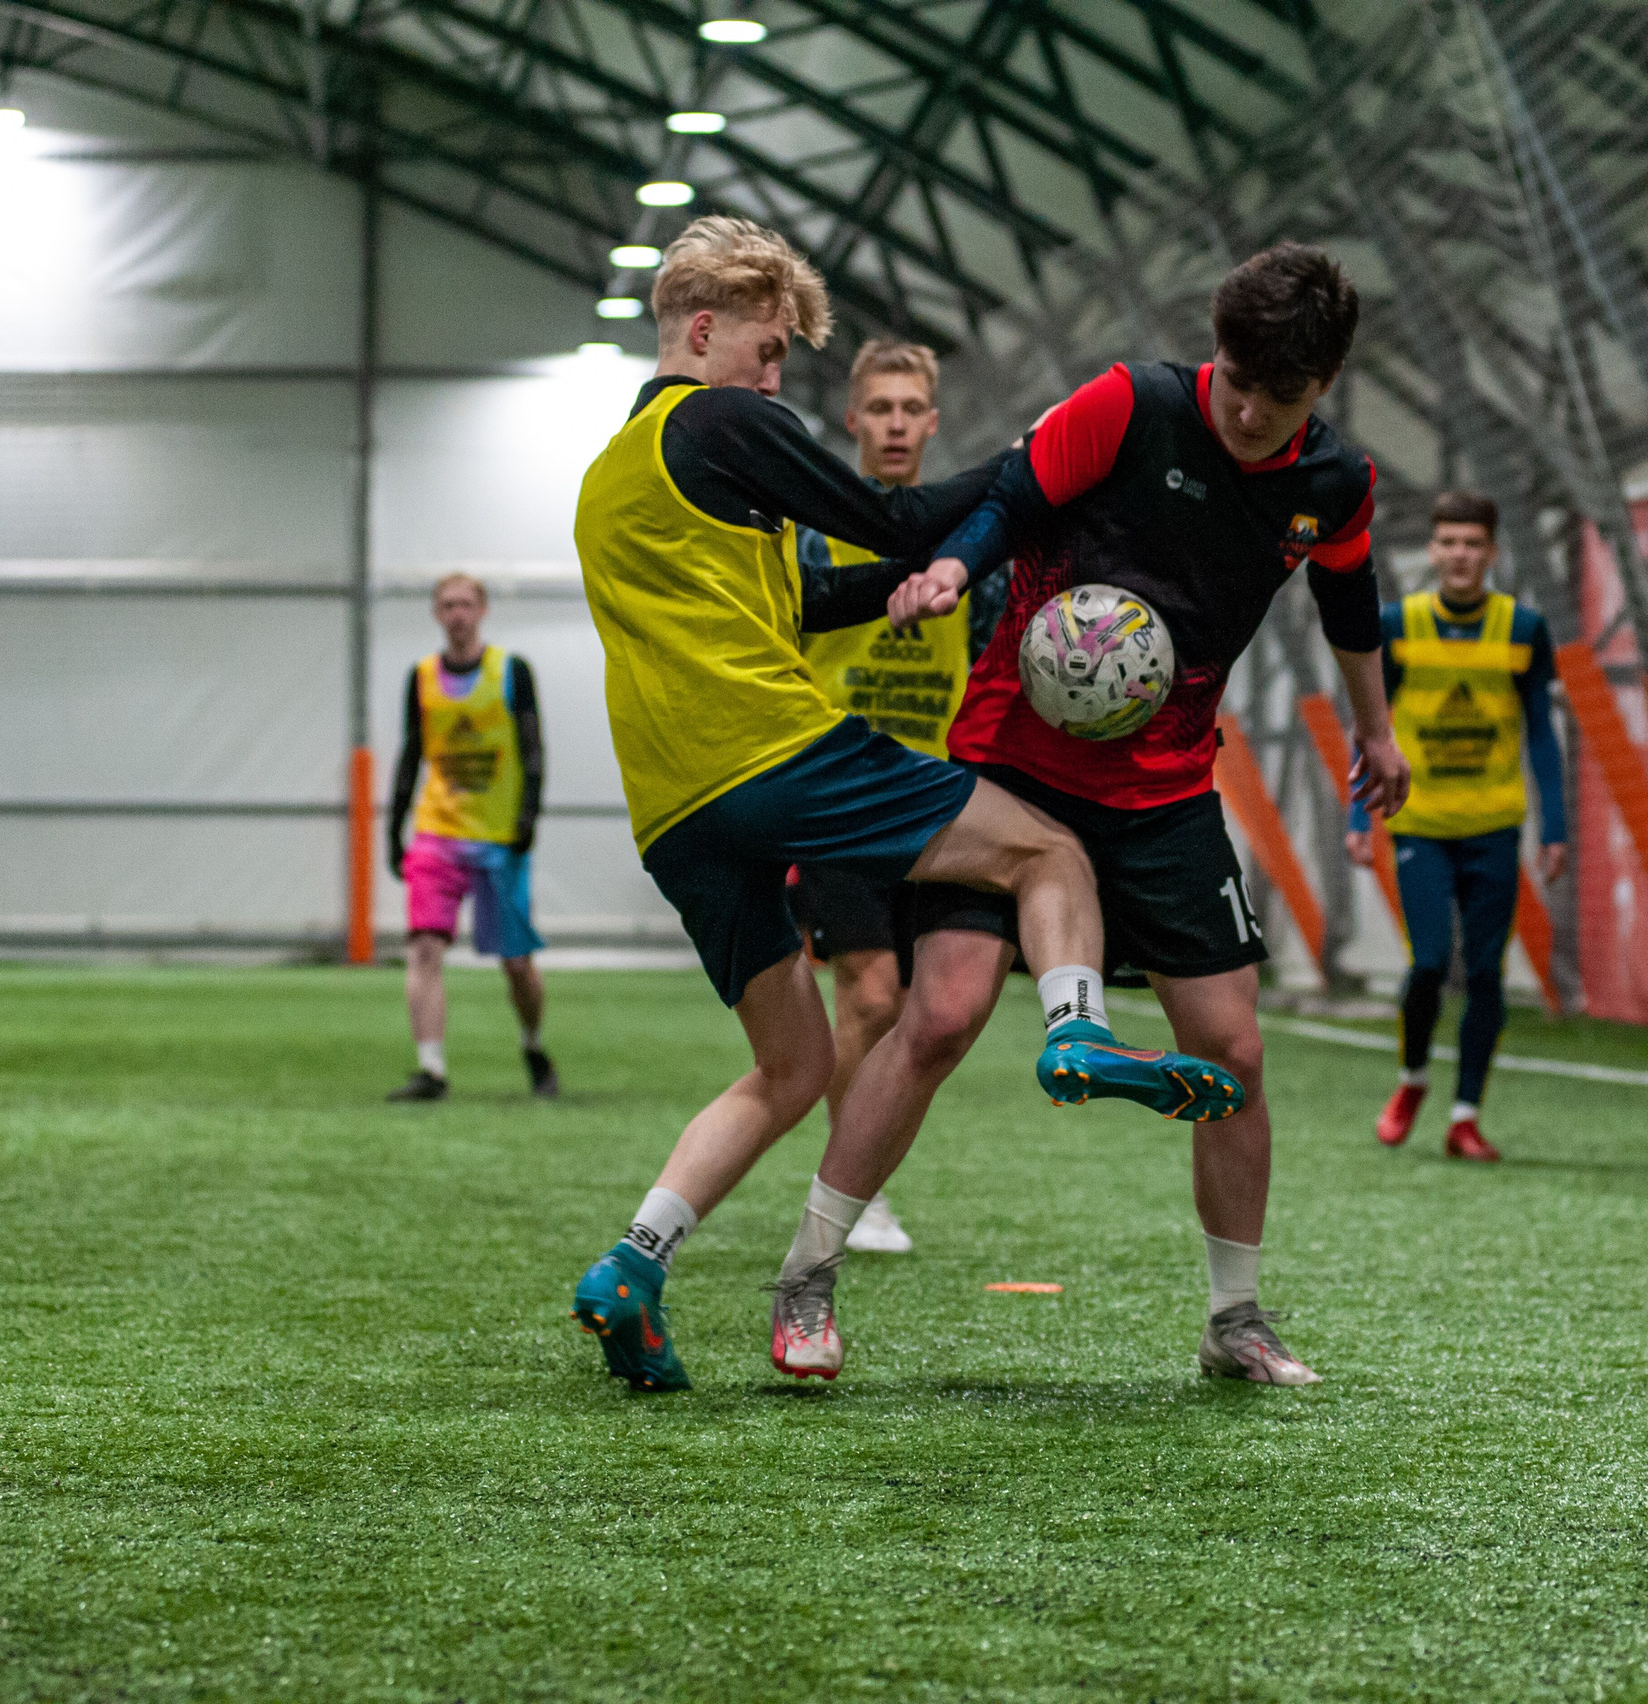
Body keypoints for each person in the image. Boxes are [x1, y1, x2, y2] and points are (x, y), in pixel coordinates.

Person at [565, 216, 1241, 1394]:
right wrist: (1030, 466)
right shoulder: (721, 417)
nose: (778, 382)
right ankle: (1076, 1027)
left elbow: (816, 593)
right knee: (1046, 853)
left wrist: (917, 587)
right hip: (774, 755)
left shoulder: (619, 473)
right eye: (769, 352)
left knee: (792, 1066)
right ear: (705, 329)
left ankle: (635, 1262)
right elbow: (888, 515)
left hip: (673, 814)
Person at [770, 240, 1411, 1388]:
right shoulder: (1129, 405)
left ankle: (1236, 1320)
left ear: (1325, 387)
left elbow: (1349, 601)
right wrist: (957, 572)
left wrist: (1375, 729)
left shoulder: (1334, 485)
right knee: (940, 1016)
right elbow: (1007, 507)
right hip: (1010, 763)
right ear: (1217, 353)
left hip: (1164, 792)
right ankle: (807, 1280)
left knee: (1234, 1050)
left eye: (1287, 397)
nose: (1256, 414)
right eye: (1243, 384)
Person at [787, 339, 979, 1256]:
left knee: (919, 1012)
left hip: (933, 798)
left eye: (913, 409)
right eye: (881, 408)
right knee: (869, 995)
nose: (897, 424)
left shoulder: (967, 541)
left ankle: (861, 1178)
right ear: (854, 420)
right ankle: (852, 1190)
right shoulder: (817, 533)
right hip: (839, 790)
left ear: (932, 423)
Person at [1346, 491, 1567, 1162]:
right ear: (1433, 551)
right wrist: (1359, 813)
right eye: (1449, 543)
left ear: (1492, 552)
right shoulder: (1399, 626)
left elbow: (1542, 736)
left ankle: (1466, 1116)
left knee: (1489, 975)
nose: (1461, 555)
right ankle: (1413, 1078)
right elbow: (1371, 727)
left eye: (1473, 543)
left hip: (1496, 826)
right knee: (1431, 962)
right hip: (1420, 824)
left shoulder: (1524, 630)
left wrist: (1555, 827)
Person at [384, 573, 554, 1102]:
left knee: (516, 963)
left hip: (499, 836)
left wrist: (528, 818)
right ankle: (431, 1069)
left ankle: (532, 1044)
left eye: (465, 604)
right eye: (447, 605)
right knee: (425, 948)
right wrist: (394, 828)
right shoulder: (421, 677)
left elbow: (533, 749)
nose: (457, 613)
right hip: (437, 833)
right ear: (436, 614)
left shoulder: (511, 671)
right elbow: (411, 754)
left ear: (481, 610)